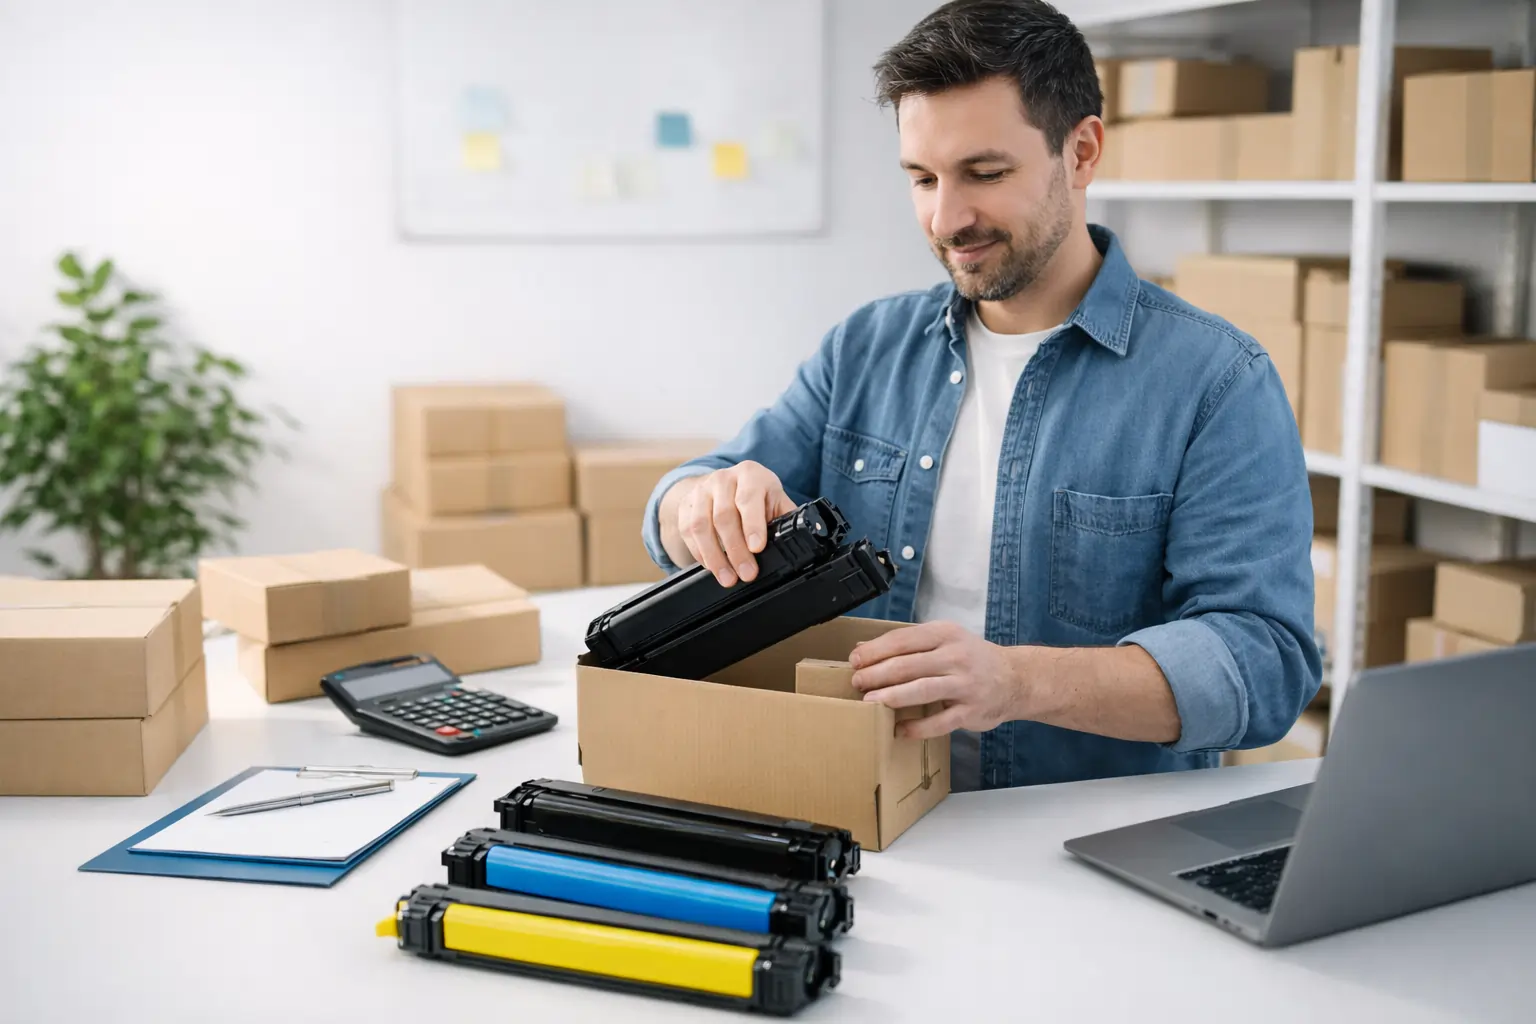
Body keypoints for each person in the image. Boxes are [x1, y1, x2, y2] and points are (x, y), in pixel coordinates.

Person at [641, 0, 1321, 792]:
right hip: (868, 811)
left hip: (1076, 839)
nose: (946, 217)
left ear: (1083, 151)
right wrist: (696, 505)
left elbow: (1266, 663)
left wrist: (1018, 682)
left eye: (985, 174)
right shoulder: (865, 348)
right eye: (922, 178)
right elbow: (688, 500)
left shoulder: (1216, 382)